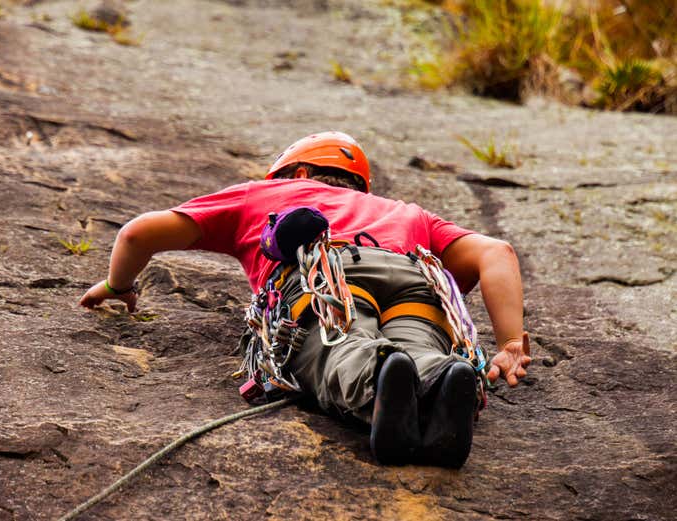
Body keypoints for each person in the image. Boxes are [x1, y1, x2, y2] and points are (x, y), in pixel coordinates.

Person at [79, 131, 531, 468]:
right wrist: (510, 342)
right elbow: (497, 253)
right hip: (416, 279)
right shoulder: (406, 212)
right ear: (358, 185)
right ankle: (444, 378)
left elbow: (138, 233)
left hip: (327, 276)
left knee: (342, 343)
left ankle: (379, 379)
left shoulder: (267, 193)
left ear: (297, 174)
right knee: (424, 346)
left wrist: (118, 285)